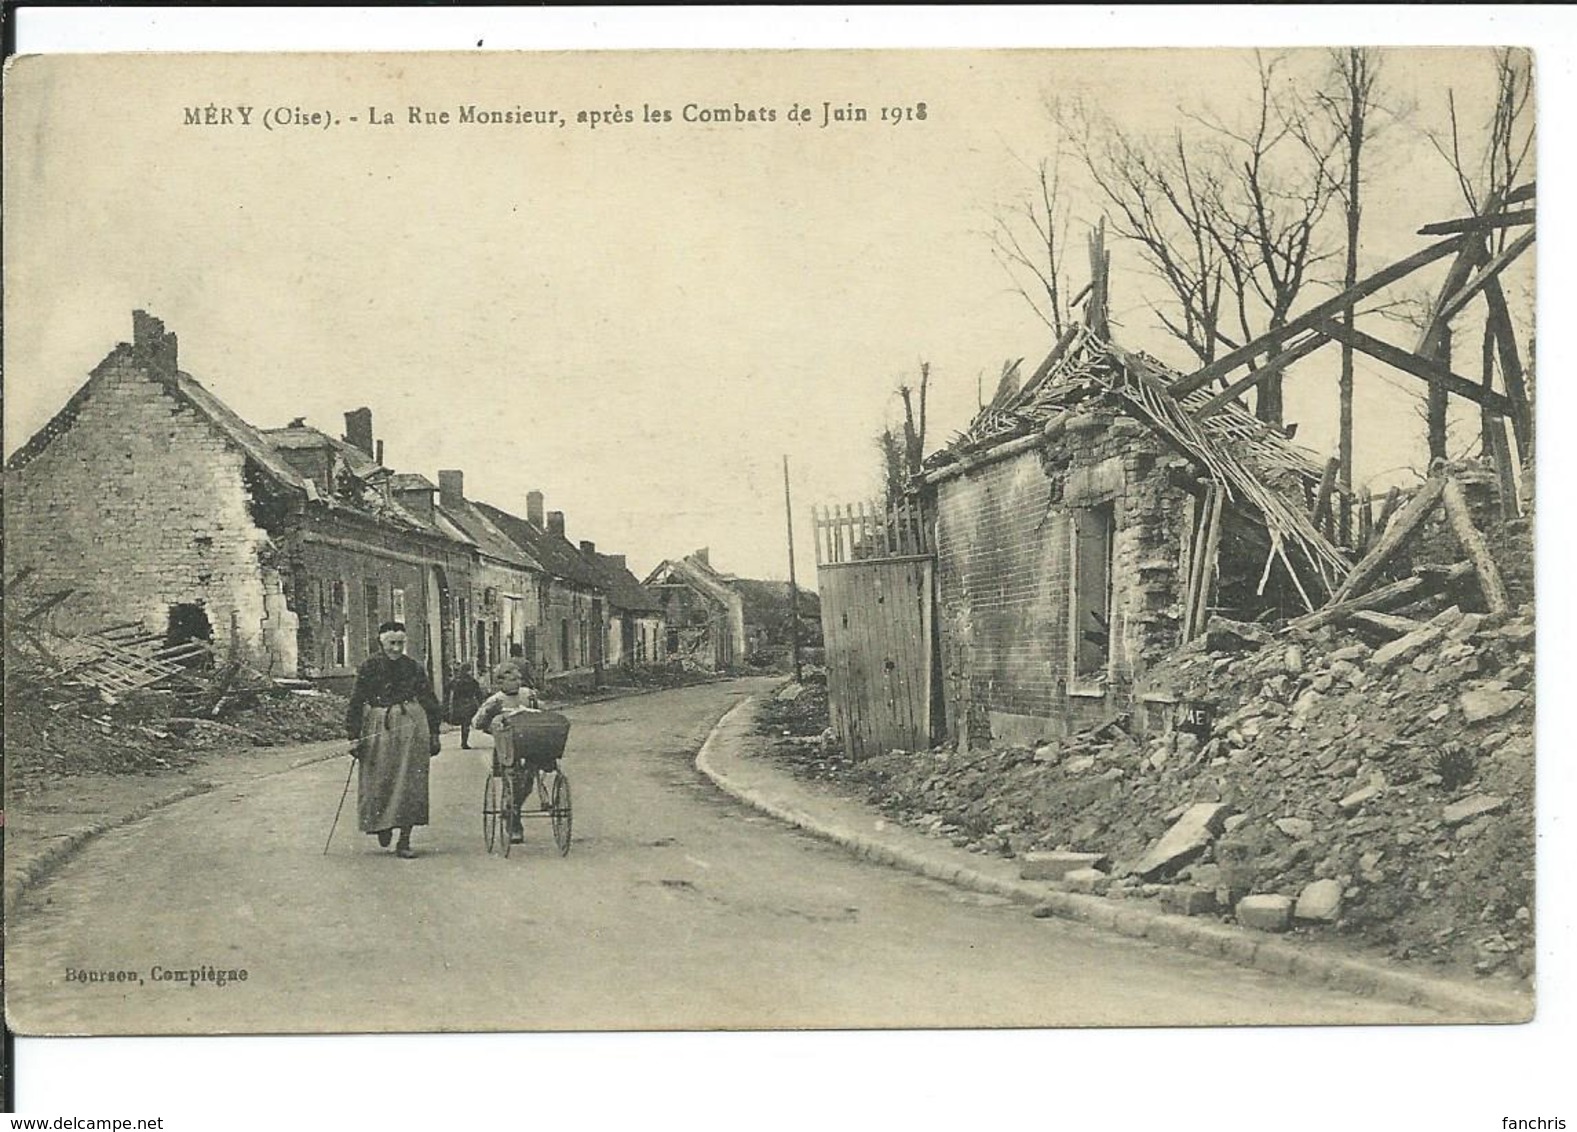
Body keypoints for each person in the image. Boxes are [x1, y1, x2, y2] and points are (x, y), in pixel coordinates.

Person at [345, 621, 442, 859]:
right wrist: (354, 736)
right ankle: (383, 824)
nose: (397, 649)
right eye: (392, 643)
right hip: (379, 726)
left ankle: (404, 840)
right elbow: (357, 701)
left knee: (410, 782)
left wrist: (434, 733)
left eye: (401, 643)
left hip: (411, 725)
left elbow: (429, 700)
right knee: (379, 779)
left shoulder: (413, 668)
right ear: (381, 642)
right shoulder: (369, 666)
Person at [471, 662, 541, 843]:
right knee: (512, 780)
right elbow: (477, 722)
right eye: (512, 680)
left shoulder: (527, 695)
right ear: (500, 682)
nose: (517, 683)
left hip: (529, 745)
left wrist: (537, 707)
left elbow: (543, 714)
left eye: (519, 679)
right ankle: (513, 819)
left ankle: (512, 808)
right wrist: (493, 721)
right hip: (506, 748)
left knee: (528, 781)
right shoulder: (496, 700)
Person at [446, 664, 485, 749]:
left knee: (464, 723)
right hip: (469, 703)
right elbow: (478, 693)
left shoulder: (456, 680)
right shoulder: (471, 680)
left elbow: (448, 690)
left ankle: (464, 742)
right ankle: (464, 742)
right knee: (466, 724)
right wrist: (481, 703)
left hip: (458, 704)